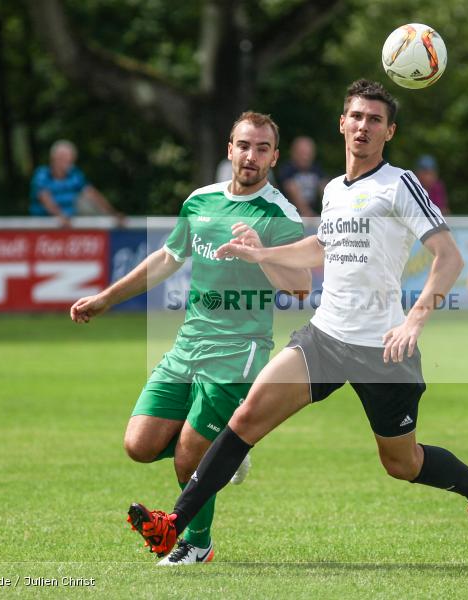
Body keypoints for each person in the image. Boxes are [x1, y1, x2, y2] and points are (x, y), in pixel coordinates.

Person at [126, 80, 468, 559]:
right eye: (356, 116)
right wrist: (264, 253)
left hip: (382, 348)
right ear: (341, 123)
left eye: (374, 119)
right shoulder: (332, 189)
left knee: (402, 463)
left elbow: (448, 257)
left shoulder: (399, 184)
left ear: (389, 131)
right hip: (324, 338)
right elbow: (322, 247)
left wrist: (414, 321)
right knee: (244, 418)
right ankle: (175, 525)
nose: (363, 126)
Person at [70, 112, 309, 565]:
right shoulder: (200, 201)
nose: (251, 156)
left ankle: (197, 543)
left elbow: (299, 287)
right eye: (244, 145)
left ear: (275, 157)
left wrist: (260, 252)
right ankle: (225, 452)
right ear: (229, 149)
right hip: (188, 345)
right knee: (139, 445)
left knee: (187, 456)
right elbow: (167, 257)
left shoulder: (280, 214)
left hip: (240, 352)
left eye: (262, 149)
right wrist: (106, 298)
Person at [30, 140, 124, 226]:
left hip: (69, 224)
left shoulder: (74, 174)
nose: (67, 163)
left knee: (85, 202)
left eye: (70, 159)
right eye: (63, 159)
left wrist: (113, 214)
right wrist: (60, 215)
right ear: (53, 158)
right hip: (44, 226)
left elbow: (92, 194)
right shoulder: (42, 174)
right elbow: (44, 197)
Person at [278, 136, 327, 217]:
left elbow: (325, 189)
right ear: (293, 153)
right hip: (288, 216)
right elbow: (291, 189)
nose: (305, 156)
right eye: (302, 153)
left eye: (308, 153)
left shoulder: (316, 170)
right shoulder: (287, 170)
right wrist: (308, 213)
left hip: (311, 217)